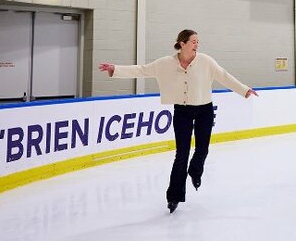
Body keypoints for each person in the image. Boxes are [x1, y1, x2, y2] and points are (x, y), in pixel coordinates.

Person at [99, 29, 258, 214]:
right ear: (182, 43)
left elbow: (224, 75)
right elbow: (142, 70)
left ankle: (195, 172)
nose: (197, 44)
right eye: (193, 41)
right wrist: (115, 69)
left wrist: (244, 90)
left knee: (202, 149)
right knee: (181, 154)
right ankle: (174, 196)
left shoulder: (206, 61)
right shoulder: (165, 63)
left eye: (198, 41)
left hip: (204, 110)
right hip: (182, 111)